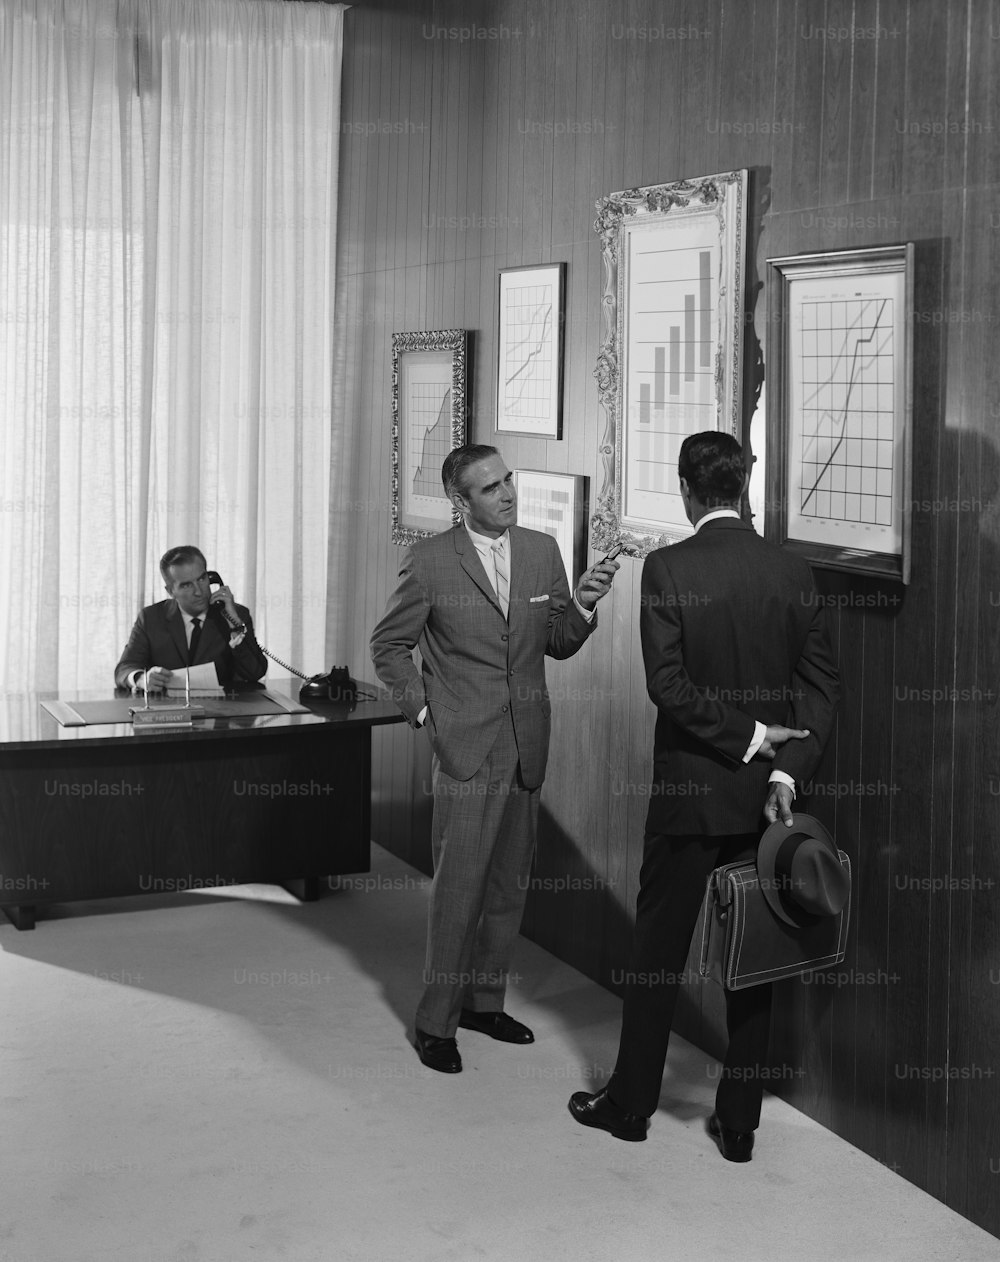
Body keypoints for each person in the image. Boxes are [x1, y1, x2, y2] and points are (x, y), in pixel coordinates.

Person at [568, 431, 840, 1159]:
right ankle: (740, 1124)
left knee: (657, 952)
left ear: (686, 489)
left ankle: (629, 1106)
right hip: (769, 809)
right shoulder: (794, 571)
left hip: (691, 797)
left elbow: (668, 687)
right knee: (755, 955)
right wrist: (784, 772)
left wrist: (749, 734)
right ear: (744, 485)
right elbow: (821, 690)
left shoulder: (667, 567)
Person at [370, 444, 619, 1073]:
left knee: (509, 887)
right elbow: (390, 645)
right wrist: (425, 713)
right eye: (490, 488)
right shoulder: (429, 562)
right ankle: (436, 1021)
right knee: (459, 890)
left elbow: (557, 643)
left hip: (527, 743)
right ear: (462, 502)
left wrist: (585, 603)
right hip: (465, 748)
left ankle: (484, 1003)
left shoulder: (542, 551)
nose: (507, 493)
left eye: (509, 480)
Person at [115, 546, 267, 691]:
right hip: (169, 711)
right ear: (171, 591)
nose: (199, 592)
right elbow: (124, 668)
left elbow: (255, 672)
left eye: (201, 579)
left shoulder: (235, 614)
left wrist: (235, 626)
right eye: (186, 585)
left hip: (222, 710)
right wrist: (141, 679)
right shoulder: (150, 618)